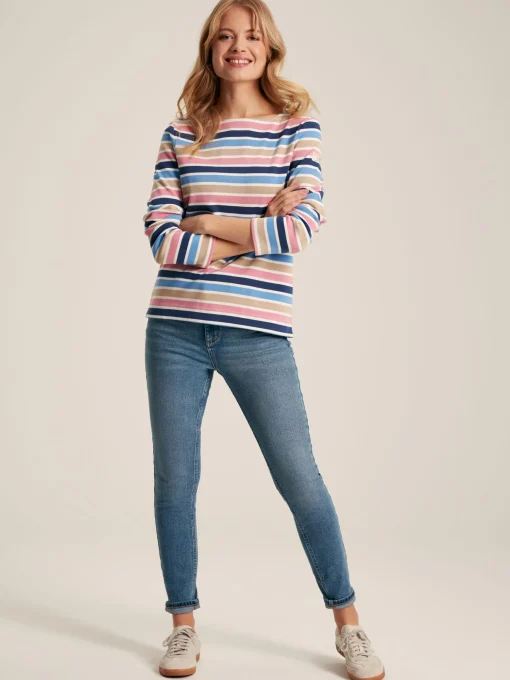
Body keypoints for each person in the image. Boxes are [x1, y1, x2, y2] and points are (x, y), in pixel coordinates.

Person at [143, 1, 385, 678]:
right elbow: (162, 238)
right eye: (225, 36)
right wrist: (252, 228)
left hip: (258, 333)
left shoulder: (296, 128)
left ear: (269, 48)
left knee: (299, 477)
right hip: (174, 329)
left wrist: (208, 221)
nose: (237, 46)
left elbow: (300, 229)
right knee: (175, 480)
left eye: (250, 36)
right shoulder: (181, 133)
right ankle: (183, 626)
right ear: (209, 48)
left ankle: (349, 625)